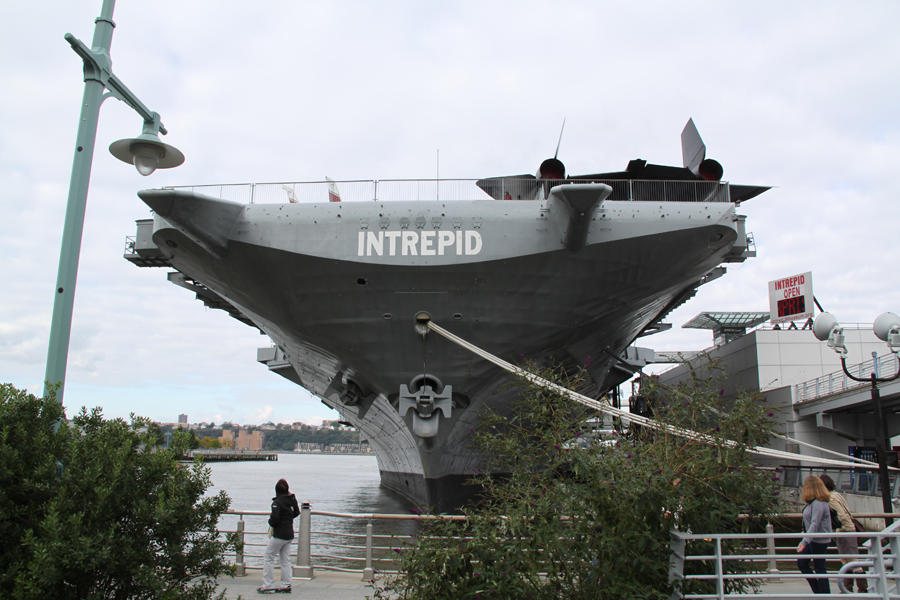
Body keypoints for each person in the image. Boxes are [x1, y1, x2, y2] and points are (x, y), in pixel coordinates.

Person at [820, 474, 867, 593]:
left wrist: (841, 527)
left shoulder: (830, 498)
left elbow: (841, 515)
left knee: (851, 560)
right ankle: (848, 588)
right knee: (848, 559)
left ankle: (861, 588)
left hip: (845, 530)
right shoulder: (836, 494)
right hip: (849, 529)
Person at [258, 478, 301, 594]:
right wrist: (287, 519)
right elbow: (296, 512)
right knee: (285, 560)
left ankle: (268, 586)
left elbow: (275, 518)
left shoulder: (277, 503)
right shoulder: (292, 499)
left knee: (268, 556)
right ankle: (286, 585)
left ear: (276, 491)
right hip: (289, 534)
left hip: (279, 535)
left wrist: (271, 525)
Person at [797, 475, 832, 594]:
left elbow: (814, 524)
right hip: (812, 539)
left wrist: (804, 541)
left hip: (818, 540)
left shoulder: (818, 503)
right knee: (802, 563)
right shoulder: (813, 503)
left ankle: (824, 594)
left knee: (819, 568)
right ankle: (819, 592)